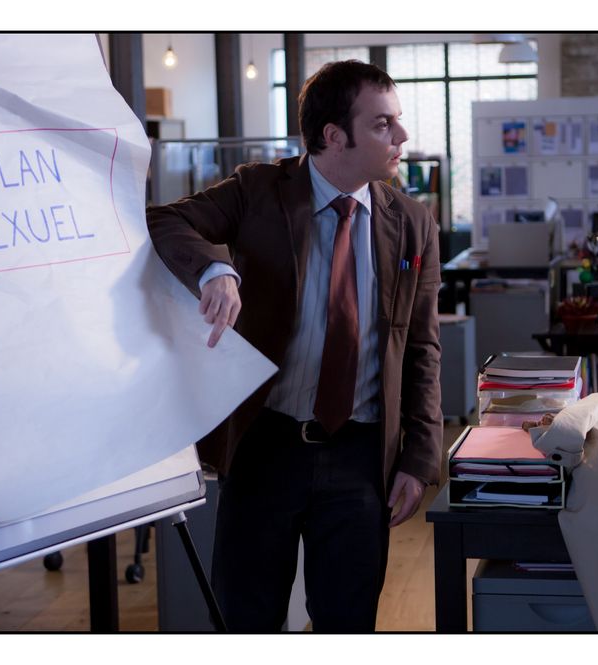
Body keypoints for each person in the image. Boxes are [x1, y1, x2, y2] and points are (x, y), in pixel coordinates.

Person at [145, 60, 443, 632]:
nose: (402, 136)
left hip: (360, 456)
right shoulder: (259, 190)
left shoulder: (412, 223)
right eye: (383, 124)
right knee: (247, 619)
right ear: (335, 135)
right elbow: (164, 222)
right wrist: (214, 271)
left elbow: (422, 348)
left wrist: (420, 456)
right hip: (266, 446)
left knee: (348, 623)